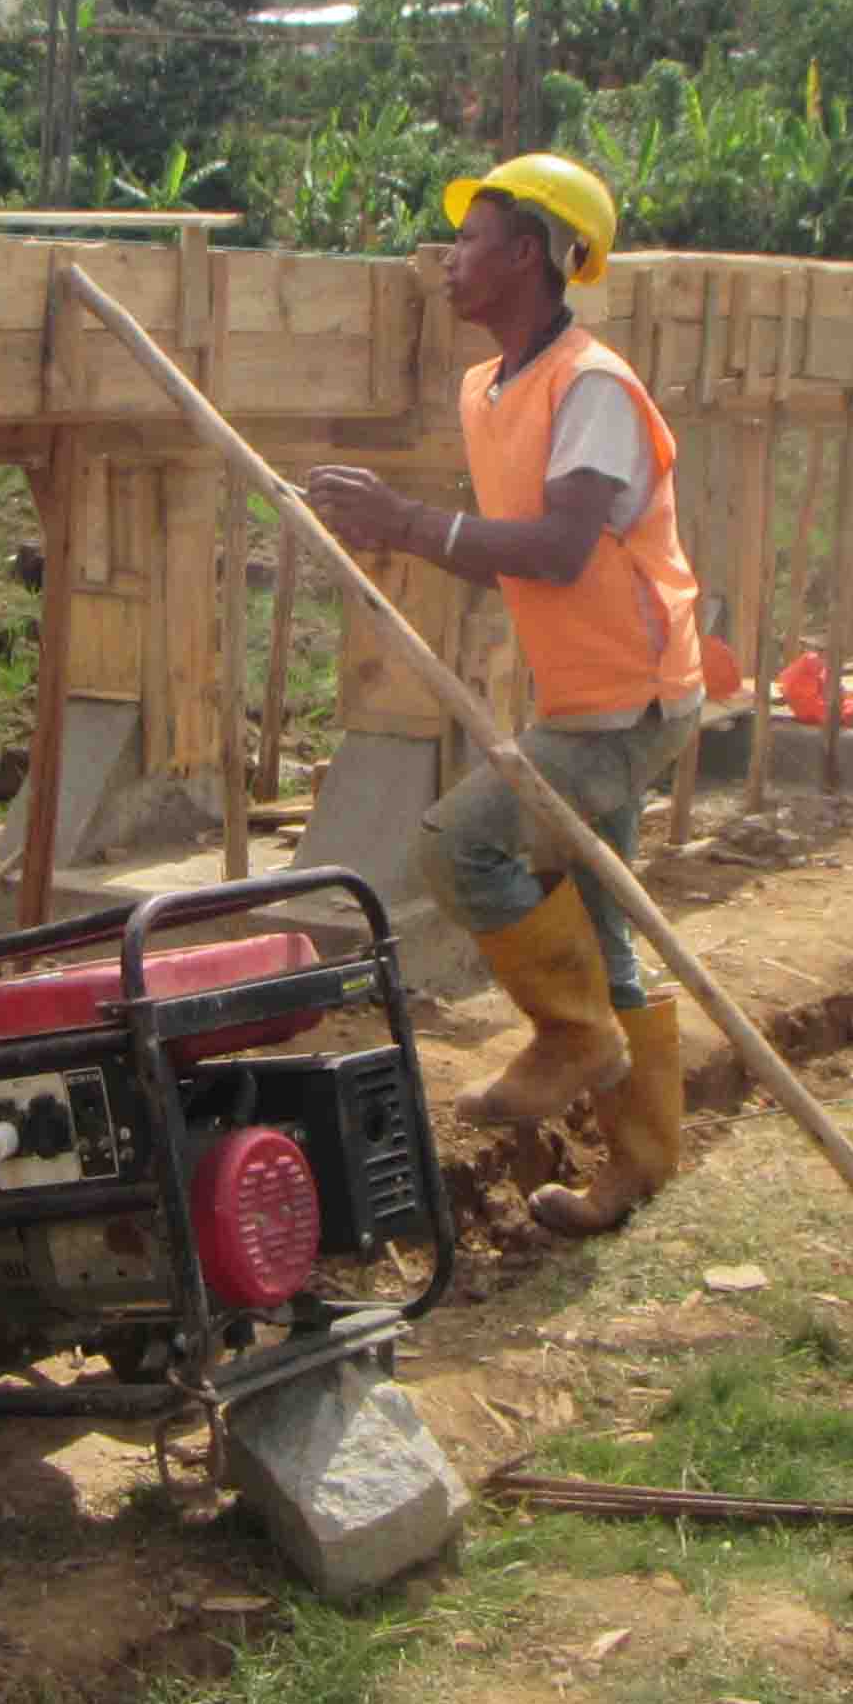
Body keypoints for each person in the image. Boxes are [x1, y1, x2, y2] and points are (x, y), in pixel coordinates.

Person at [304, 154, 704, 1238]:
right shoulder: (488, 389)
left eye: (469, 240)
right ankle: (636, 1168)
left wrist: (409, 524)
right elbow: (508, 549)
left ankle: (573, 1041)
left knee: (458, 847)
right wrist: (403, 532)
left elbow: (564, 548)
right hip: (580, 699)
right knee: (606, 930)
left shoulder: (595, 387)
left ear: (527, 254)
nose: (448, 260)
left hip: (634, 700)